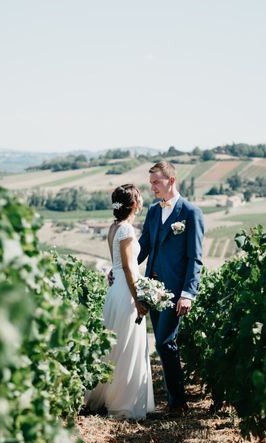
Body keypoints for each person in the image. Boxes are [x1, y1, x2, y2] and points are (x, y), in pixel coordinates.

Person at [137, 161, 204, 413]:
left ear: (171, 180)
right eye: (151, 182)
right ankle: (174, 400)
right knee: (163, 343)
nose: (152, 187)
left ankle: (178, 403)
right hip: (151, 288)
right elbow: (144, 246)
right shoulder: (154, 211)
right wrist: (123, 268)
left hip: (175, 291)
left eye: (156, 182)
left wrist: (188, 293)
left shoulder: (190, 213)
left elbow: (195, 257)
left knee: (165, 342)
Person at [85, 184, 155, 419]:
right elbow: (126, 267)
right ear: (134, 204)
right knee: (126, 346)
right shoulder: (126, 230)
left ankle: (109, 396)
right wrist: (139, 300)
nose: (142, 201)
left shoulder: (113, 228)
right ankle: (123, 403)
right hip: (126, 290)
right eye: (139, 197)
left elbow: (116, 264)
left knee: (117, 343)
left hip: (116, 290)